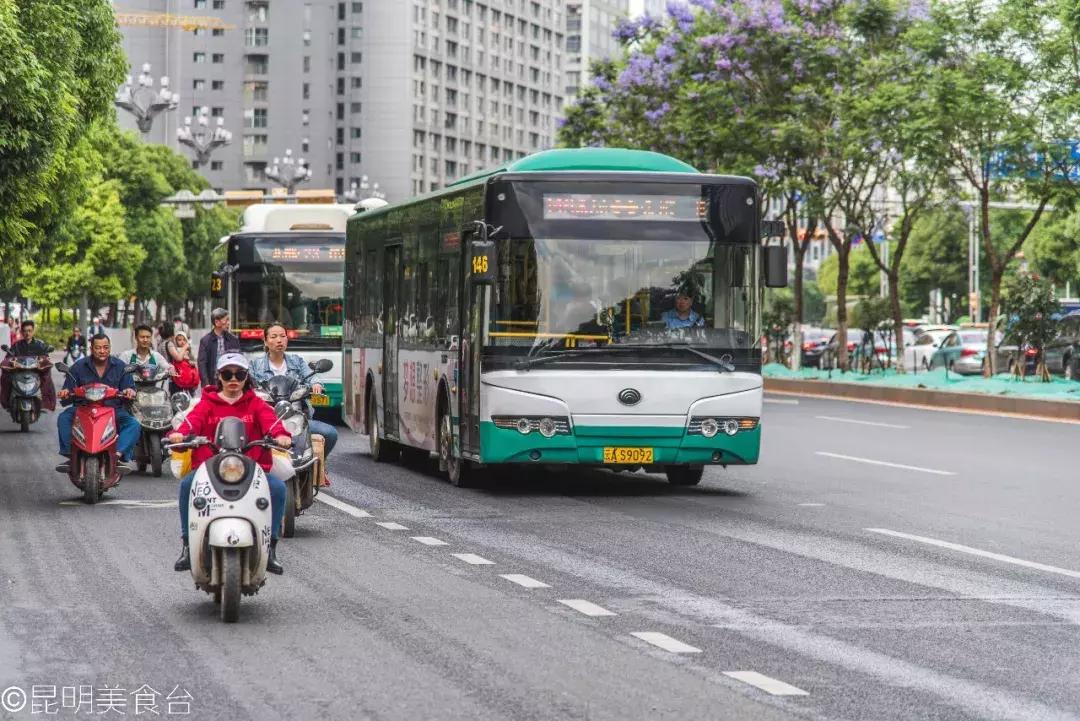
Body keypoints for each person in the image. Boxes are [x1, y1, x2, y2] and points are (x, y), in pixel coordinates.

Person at [168, 353, 290, 574]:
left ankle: (270, 549)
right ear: (219, 377)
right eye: (227, 374)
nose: (233, 379)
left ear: (246, 377)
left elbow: (272, 425)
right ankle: (187, 546)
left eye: (239, 374)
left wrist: (281, 436)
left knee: (278, 488)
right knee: (187, 486)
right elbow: (192, 423)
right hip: (209, 468)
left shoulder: (256, 404)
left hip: (251, 470)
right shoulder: (207, 404)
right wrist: (180, 435)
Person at [249, 321, 339, 468]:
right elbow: (248, 385)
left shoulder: (297, 361)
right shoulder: (255, 365)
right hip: (267, 421)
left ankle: (318, 467)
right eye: (274, 336)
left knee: (330, 434)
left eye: (283, 336)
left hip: (297, 420)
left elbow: (312, 377)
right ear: (265, 341)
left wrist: (316, 384)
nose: (279, 340)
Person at [57, 334, 139, 471]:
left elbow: (130, 388)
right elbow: (68, 388)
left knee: (133, 424)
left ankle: (117, 456)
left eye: (105, 347)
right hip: (83, 409)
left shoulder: (120, 366)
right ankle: (70, 455)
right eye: (98, 348)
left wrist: (130, 391)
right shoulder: (78, 366)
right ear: (91, 348)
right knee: (64, 418)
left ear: (110, 348)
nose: (102, 351)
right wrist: (65, 392)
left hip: (113, 410)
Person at [0, 319, 57, 413]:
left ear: (33, 331)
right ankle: (7, 401)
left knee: (47, 377)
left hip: (36, 371)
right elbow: (9, 356)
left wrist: (43, 360)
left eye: (30, 331)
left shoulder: (40, 345)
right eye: (25, 331)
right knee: (5, 376)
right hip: (19, 371)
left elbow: (46, 356)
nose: (27, 333)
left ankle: (45, 402)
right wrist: (11, 361)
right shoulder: (16, 345)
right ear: (22, 332)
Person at [197, 307, 239, 387]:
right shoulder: (205, 341)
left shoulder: (234, 340)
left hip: (230, 382)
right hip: (212, 383)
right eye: (226, 320)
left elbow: (239, 361)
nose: (228, 323)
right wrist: (206, 384)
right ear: (217, 322)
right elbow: (202, 364)